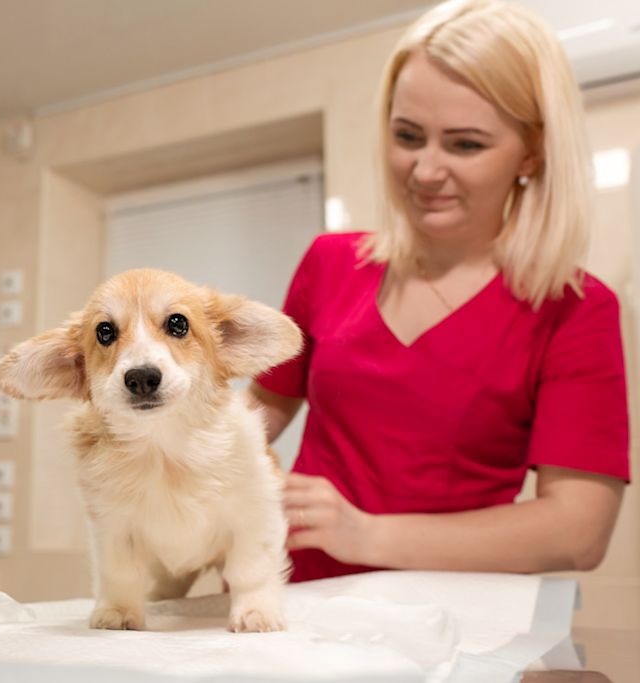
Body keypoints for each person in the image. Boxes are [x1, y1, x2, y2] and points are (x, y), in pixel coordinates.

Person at [250, 0, 630, 583]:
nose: (425, 171)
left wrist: (366, 534)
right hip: (298, 603)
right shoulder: (329, 264)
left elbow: (578, 532)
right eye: (408, 136)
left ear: (531, 153)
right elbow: (254, 419)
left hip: (454, 624)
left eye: (465, 144)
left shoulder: (574, 310)